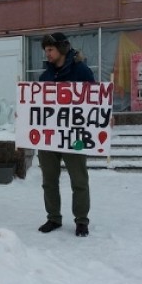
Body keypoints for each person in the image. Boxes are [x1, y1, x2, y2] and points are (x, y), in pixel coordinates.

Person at [37, 32, 95, 237]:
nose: (47, 54)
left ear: (62, 49)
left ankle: (81, 220)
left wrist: (106, 115)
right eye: (45, 50)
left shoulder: (82, 72)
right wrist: (27, 114)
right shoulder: (45, 76)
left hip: (75, 137)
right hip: (49, 137)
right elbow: (37, 105)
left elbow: (96, 100)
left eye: (50, 49)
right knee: (49, 180)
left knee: (79, 180)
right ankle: (53, 217)